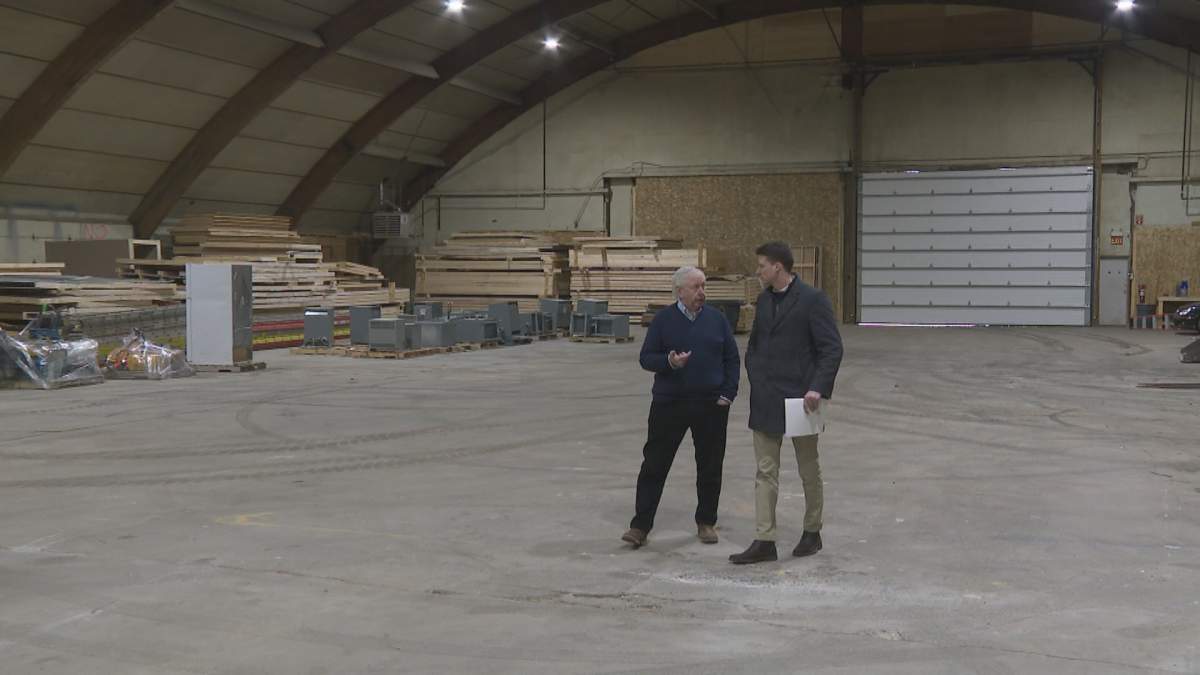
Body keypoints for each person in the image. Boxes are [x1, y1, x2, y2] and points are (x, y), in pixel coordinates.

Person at [729, 242, 843, 565]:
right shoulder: (763, 301)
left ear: (778, 267)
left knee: (808, 468)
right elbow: (754, 345)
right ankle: (765, 540)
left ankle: (812, 531)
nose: (758, 270)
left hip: (802, 400)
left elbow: (831, 348)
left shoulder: (813, 300)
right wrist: (754, 373)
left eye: (762, 265)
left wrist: (818, 388)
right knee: (765, 471)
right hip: (765, 398)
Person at [622, 266, 740, 548]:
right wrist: (669, 363)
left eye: (703, 286)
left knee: (710, 466)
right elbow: (646, 358)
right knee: (655, 464)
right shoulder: (663, 320)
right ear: (680, 291)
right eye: (696, 287)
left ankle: (706, 521)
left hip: (711, 405)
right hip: (669, 404)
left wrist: (728, 393)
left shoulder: (717, 319)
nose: (702, 292)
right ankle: (640, 526)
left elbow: (732, 359)